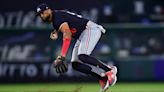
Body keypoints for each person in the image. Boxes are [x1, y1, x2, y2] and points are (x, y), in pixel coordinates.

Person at [36, 3, 117, 92]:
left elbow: (67, 35)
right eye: (40, 15)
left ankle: (110, 70)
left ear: (48, 10)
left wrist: (62, 56)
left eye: (42, 13)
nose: (41, 16)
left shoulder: (57, 18)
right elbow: (66, 22)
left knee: (82, 55)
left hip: (89, 30)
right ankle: (102, 77)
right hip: (81, 35)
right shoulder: (56, 17)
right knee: (75, 64)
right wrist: (57, 31)